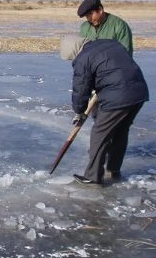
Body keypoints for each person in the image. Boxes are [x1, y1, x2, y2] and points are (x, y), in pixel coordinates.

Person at [60, 34, 149, 186]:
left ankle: (93, 176)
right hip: (139, 92)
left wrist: (79, 110)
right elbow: (113, 70)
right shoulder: (110, 43)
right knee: (120, 131)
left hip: (119, 97)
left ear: (74, 50)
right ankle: (114, 169)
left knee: (99, 133)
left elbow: (81, 90)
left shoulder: (83, 58)